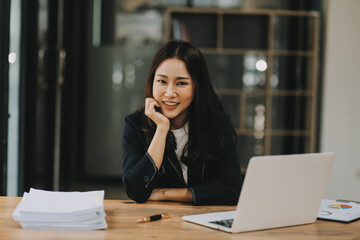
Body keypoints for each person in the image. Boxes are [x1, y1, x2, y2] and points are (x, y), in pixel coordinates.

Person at [122, 40, 243, 205]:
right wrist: (162, 129)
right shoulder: (135, 125)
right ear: (152, 82)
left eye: (181, 83)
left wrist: (165, 193)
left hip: (204, 223)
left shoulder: (217, 124)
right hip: (156, 224)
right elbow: (135, 191)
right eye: (162, 81)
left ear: (197, 86)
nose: (170, 93)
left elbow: (232, 190)